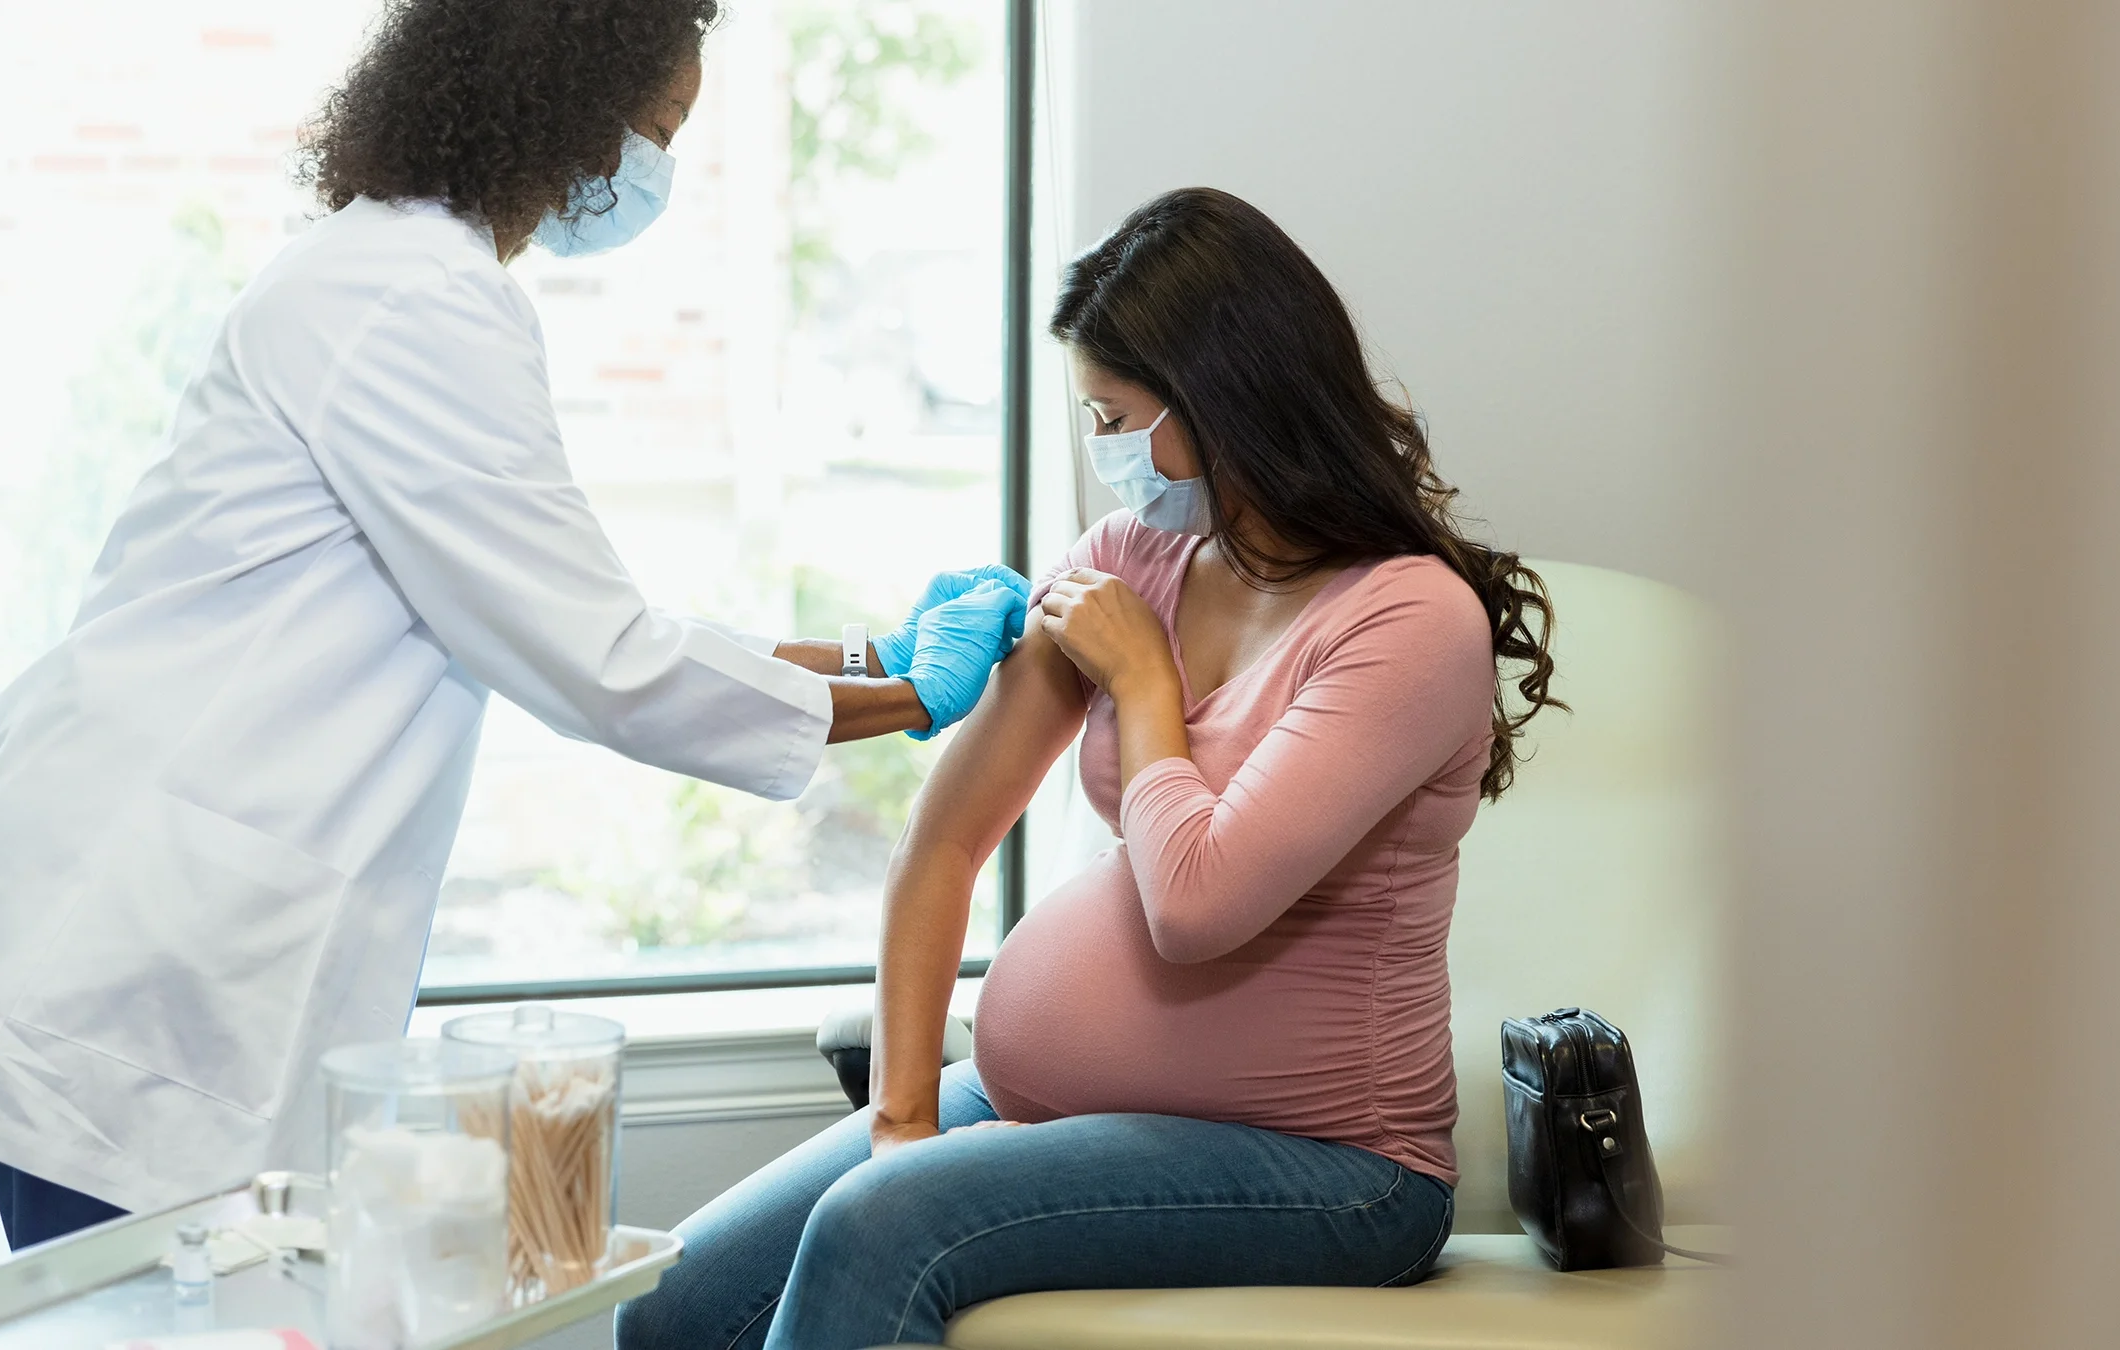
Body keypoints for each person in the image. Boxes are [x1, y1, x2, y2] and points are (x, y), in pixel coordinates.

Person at [0, 0, 1026, 1250]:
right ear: (562, 106)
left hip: (167, 944)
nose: (651, 173)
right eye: (656, 129)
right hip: (146, 970)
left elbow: (573, 612)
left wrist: (875, 657)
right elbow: (600, 658)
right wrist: (908, 699)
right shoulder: (412, 300)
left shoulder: (388, 274)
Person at [615, 187, 1562, 1350]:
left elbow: (1198, 907)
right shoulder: (1134, 558)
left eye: (1117, 416)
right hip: (1066, 1108)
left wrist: (1146, 686)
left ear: (1223, 405)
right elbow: (945, 842)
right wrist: (903, 1125)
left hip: (1336, 1172)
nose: (1104, 453)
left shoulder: (1410, 623)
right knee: (673, 1304)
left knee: (884, 1230)